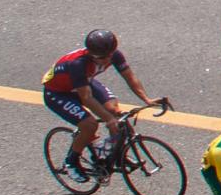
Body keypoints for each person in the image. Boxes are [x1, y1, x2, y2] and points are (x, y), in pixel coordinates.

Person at [41, 29, 158, 178]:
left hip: (84, 83)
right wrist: (108, 119)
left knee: (116, 111)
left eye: (110, 55)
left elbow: (129, 77)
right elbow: (86, 98)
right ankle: (71, 161)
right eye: (103, 58)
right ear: (91, 54)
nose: (108, 60)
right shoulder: (77, 64)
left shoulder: (112, 54)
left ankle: (116, 154)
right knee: (90, 125)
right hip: (58, 93)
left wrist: (146, 99)